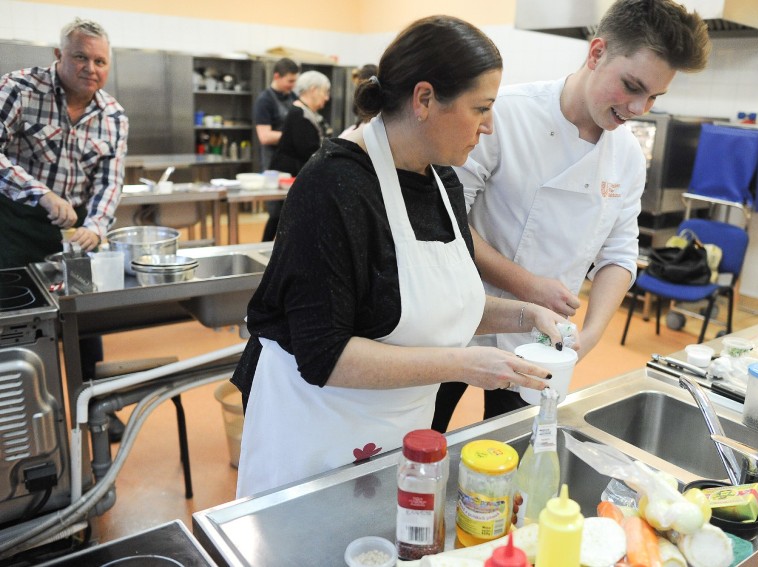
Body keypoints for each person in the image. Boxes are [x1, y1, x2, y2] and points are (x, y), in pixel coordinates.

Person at [232, 15, 567, 497]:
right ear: (425, 99)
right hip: (315, 428)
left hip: (398, 425)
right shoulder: (334, 186)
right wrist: (464, 365)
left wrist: (522, 314)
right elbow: (324, 356)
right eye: (481, 108)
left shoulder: (441, 178)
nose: (490, 126)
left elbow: (434, 303)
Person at [431, 0, 711, 431]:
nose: (640, 108)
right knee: (419, 441)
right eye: (632, 86)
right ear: (596, 53)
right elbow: (447, 222)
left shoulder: (628, 156)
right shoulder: (505, 115)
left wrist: (591, 335)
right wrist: (527, 286)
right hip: (455, 316)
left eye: (655, 96)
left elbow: (619, 253)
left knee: (513, 449)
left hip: (541, 340)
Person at [0, 18, 129, 440]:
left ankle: (94, 406)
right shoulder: (19, 89)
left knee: (83, 318)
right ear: (59, 56)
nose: (90, 67)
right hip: (14, 224)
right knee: (17, 321)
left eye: (99, 61)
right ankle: (19, 413)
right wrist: (38, 193)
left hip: (74, 231)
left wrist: (96, 224)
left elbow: (110, 182)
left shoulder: (113, 115)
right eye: (80, 56)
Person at [265, 71, 331, 237]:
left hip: (292, 175)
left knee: (279, 220)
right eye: (325, 92)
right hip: (289, 176)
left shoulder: (305, 112)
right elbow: (309, 151)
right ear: (313, 90)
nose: (326, 98)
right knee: (279, 220)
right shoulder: (299, 114)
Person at [253, 57, 300, 241]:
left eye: (295, 81)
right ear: (277, 76)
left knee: (290, 212)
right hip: (273, 164)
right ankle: (263, 247)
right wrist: (293, 136)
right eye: (290, 81)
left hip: (292, 163)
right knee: (276, 213)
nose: (293, 85)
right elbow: (264, 136)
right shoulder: (264, 101)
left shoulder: (293, 98)